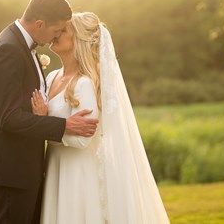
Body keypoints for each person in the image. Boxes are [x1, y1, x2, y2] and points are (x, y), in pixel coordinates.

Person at [0, 0, 99, 224]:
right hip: (10, 169)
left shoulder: (19, 45)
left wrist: (45, 116)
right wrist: (65, 125)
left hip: (23, 167)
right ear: (39, 24)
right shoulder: (9, 50)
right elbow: (9, 118)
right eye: (56, 30)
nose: (55, 37)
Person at [31, 12, 170, 223]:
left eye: (63, 30)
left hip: (76, 173)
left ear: (78, 40)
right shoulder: (51, 77)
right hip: (55, 168)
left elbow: (83, 139)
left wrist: (43, 124)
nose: (56, 33)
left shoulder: (84, 84)